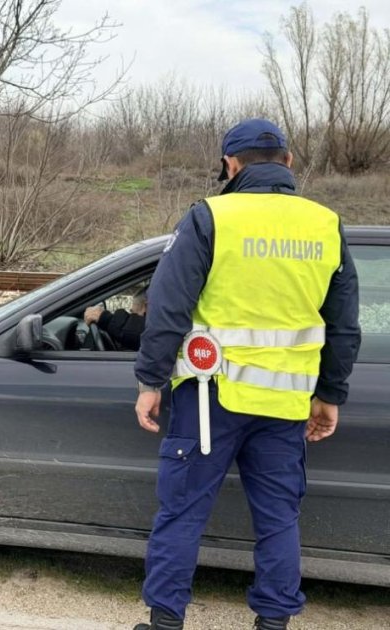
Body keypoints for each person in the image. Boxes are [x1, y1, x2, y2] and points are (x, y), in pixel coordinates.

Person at [131, 119, 360, 630]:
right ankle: (274, 623)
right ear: (288, 161)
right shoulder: (325, 224)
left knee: (183, 513)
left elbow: (168, 309)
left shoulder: (211, 216)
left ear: (230, 165)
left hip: (211, 401)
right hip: (285, 406)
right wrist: (330, 394)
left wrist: (150, 381)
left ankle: (165, 622)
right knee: (279, 519)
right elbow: (343, 325)